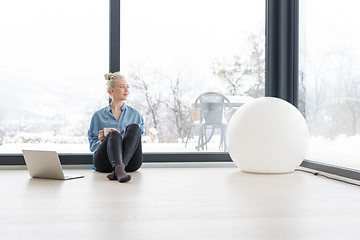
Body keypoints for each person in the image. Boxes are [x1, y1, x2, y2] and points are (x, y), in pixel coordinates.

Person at [88, 72, 144, 183]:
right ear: (111, 91)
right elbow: (92, 146)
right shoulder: (98, 116)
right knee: (113, 134)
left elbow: (136, 142)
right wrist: (102, 141)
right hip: (105, 163)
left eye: (127, 87)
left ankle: (119, 168)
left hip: (130, 163)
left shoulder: (135, 115)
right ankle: (119, 169)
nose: (126, 90)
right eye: (122, 87)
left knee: (134, 127)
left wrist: (123, 140)